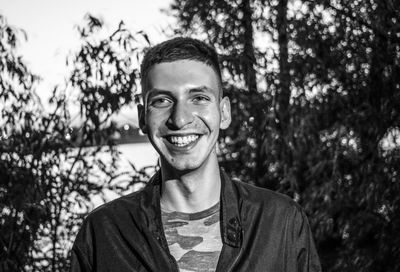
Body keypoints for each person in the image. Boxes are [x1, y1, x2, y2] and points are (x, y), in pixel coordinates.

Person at [70, 37, 321, 272]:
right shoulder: (104, 233)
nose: (180, 119)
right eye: (162, 101)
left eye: (199, 98)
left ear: (224, 113)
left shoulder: (281, 222)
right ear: (142, 117)